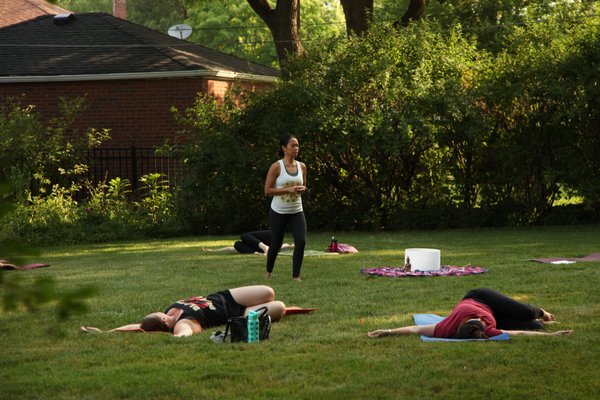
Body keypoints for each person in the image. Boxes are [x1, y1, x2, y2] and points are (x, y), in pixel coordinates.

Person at [80, 285, 286, 337]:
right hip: (238, 314)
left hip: (225, 297)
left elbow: (139, 327)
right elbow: (183, 334)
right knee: (280, 307)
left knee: (268, 291)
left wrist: (106, 332)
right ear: (163, 320)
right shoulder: (182, 323)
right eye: (160, 314)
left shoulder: (169, 312)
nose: (162, 312)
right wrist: (177, 336)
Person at [368, 288, 573, 339]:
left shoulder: (445, 328)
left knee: (528, 313)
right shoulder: (488, 329)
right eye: (479, 321)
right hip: (493, 314)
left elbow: (416, 328)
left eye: (474, 319)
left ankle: (542, 311)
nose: (478, 318)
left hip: (482, 298)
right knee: (534, 326)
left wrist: (387, 330)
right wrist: (550, 336)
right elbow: (520, 334)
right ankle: (544, 324)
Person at [264, 134, 307, 281]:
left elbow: (304, 185)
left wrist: (302, 189)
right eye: (292, 146)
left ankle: (296, 276)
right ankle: (269, 271)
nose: (296, 149)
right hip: (279, 211)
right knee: (276, 243)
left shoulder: (302, 166)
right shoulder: (277, 166)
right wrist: (286, 190)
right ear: (284, 148)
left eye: (297, 146)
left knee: (301, 241)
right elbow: (268, 190)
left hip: (296, 210)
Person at [202, 230, 294, 255]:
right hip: (270, 247)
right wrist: (213, 251)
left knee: (244, 236)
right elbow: (232, 249)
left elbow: (281, 245)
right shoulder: (246, 246)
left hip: (272, 239)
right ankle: (260, 251)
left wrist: (290, 245)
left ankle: (263, 249)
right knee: (237, 244)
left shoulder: (248, 240)